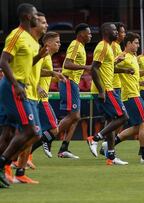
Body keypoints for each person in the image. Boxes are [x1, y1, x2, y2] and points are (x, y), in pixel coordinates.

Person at [0, 3, 44, 188]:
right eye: (35, 15)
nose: (37, 18)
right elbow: (3, 61)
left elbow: (26, 65)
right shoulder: (16, 35)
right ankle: (3, 163)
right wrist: (16, 85)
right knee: (31, 130)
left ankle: (3, 168)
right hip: (13, 86)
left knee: (10, 132)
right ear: (27, 16)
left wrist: (38, 57)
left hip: (22, 86)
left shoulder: (31, 40)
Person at [87, 23, 129, 165]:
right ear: (105, 31)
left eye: (117, 30)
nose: (116, 32)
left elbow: (107, 69)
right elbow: (94, 68)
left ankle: (111, 157)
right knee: (123, 117)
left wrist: (124, 70)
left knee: (111, 121)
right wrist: (101, 91)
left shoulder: (109, 47)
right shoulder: (103, 46)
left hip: (107, 88)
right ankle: (95, 138)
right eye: (114, 30)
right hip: (106, 90)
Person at [57, 23, 92, 159]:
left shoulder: (81, 47)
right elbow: (67, 64)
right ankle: (47, 137)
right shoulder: (76, 44)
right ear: (81, 34)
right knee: (74, 116)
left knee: (76, 117)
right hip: (69, 81)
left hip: (74, 83)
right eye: (88, 33)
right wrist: (86, 67)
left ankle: (64, 148)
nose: (90, 35)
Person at [30, 31, 63, 158]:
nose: (59, 44)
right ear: (48, 43)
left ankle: (25, 156)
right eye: (57, 42)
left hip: (41, 98)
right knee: (54, 129)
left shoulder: (47, 56)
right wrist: (38, 87)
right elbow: (32, 72)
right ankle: (25, 154)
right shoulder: (43, 55)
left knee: (34, 132)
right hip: (40, 98)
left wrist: (55, 76)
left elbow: (40, 73)